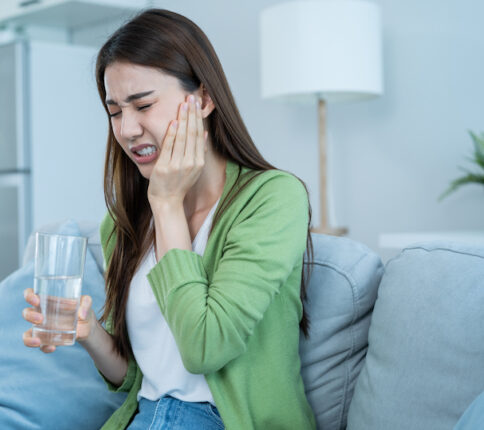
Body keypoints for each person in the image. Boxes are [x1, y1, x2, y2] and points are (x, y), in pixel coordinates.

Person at [22, 8, 315, 429]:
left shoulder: (272, 198)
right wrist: (88, 333)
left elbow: (204, 349)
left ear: (204, 99)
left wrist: (166, 204)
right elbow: (142, 377)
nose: (127, 129)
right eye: (115, 111)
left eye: (143, 105)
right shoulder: (122, 224)